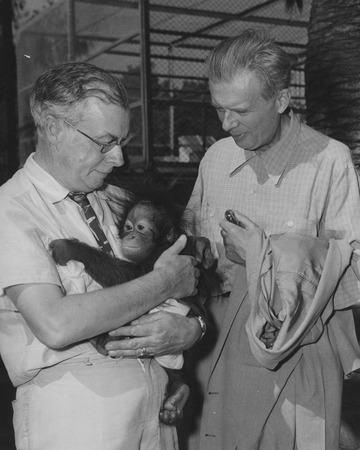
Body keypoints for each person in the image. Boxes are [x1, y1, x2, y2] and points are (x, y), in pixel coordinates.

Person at [0, 62, 206, 450]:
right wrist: (163, 283)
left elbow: (188, 281)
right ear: (54, 126)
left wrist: (192, 329)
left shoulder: (115, 198)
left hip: (156, 408)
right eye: (104, 142)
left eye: (121, 142)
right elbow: (56, 324)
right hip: (80, 418)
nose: (119, 159)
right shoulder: (11, 210)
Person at [176, 28, 360, 449]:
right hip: (216, 349)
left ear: (280, 99)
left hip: (295, 352)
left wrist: (262, 257)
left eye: (239, 111)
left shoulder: (328, 161)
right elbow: (192, 245)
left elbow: (352, 272)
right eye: (219, 109)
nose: (226, 124)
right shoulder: (217, 158)